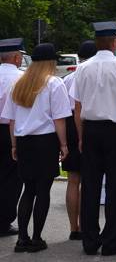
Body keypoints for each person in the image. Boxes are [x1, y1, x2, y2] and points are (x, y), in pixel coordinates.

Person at [70, 21, 116, 256]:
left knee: (90, 186)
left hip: (90, 129)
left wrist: (81, 135)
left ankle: (90, 241)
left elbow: (77, 106)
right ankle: (111, 241)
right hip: (115, 130)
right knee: (115, 186)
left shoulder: (83, 67)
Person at [1, 43, 70, 253]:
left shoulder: (19, 84)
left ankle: (22, 238)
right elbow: (59, 120)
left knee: (28, 190)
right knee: (43, 191)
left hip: (23, 141)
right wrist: (64, 144)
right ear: (50, 62)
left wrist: (13, 144)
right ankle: (37, 237)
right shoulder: (54, 84)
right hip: (45, 141)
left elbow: (11, 120)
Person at [62, 40, 97, 241]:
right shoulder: (92, 76)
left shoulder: (67, 78)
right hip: (86, 124)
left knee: (73, 179)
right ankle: (86, 225)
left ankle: (73, 227)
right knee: (89, 180)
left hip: (69, 127)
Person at [0, 37, 25, 238]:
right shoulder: (20, 78)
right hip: (10, 130)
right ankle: (4, 220)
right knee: (11, 177)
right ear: (17, 57)